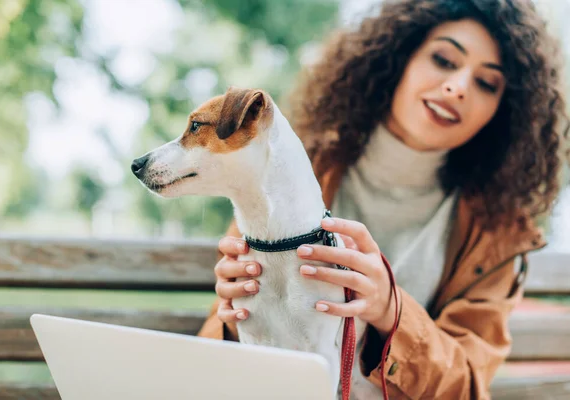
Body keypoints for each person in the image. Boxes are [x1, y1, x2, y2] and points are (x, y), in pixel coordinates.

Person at [197, 0, 569, 398]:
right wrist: (236, 317)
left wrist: (391, 311)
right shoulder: (289, 167)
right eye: (444, 60)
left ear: (503, 111)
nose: (457, 87)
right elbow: (212, 358)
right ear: (397, 59)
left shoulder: (498, 232)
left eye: (486, 83)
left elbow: (467, 386)